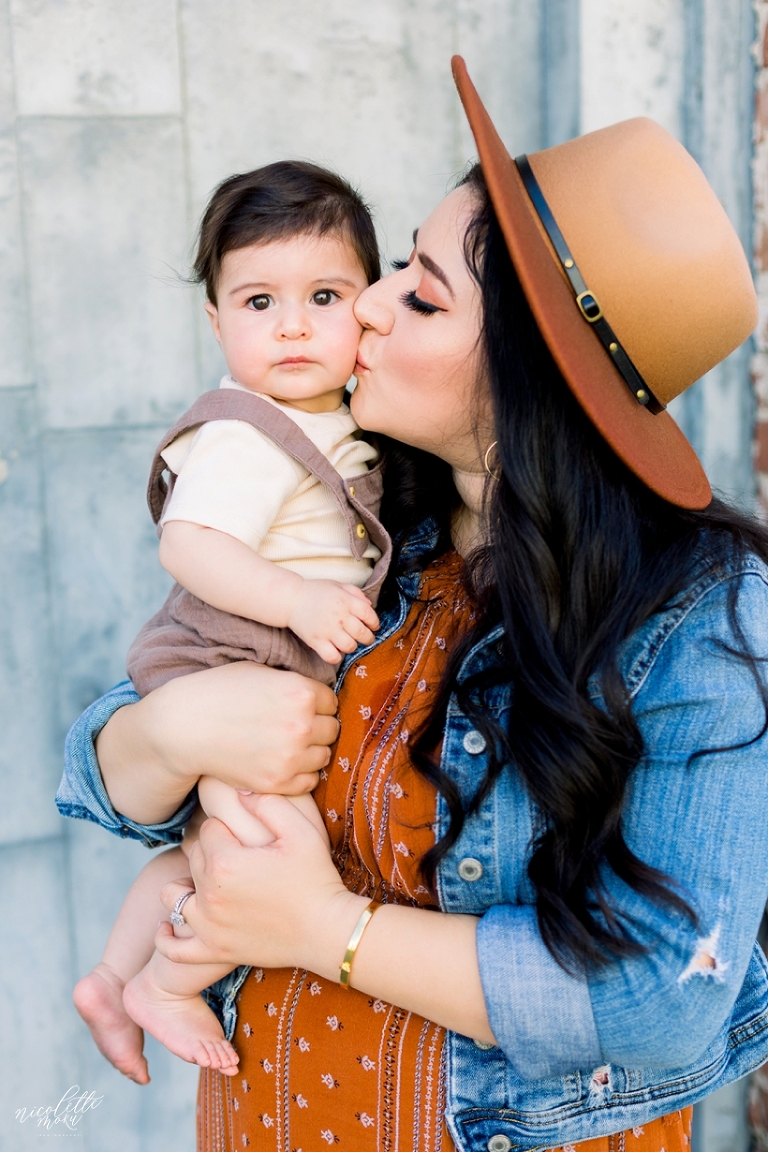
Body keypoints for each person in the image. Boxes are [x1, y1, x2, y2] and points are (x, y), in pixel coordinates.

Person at [57, 57, 768, 1152]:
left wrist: (324, 928)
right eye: (393, 272)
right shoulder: (370, 518)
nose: (367, 309)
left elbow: (666, 998)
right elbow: (108, 772)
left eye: (421, 292)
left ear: (534, 376)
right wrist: (169, 729)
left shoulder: (695, 622)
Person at [71, 160, 389, 1086]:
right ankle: (167, 983)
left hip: (257, 665)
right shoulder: (250, 430)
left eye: (323, 295)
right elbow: (191, 546)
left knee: (207, 849)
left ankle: (110, 973)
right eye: (258, 302)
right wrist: (298, 602)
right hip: (230, 658)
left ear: (368, 307)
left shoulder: (332, 416)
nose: (292, 325)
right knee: (264, 851)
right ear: (216, 322)